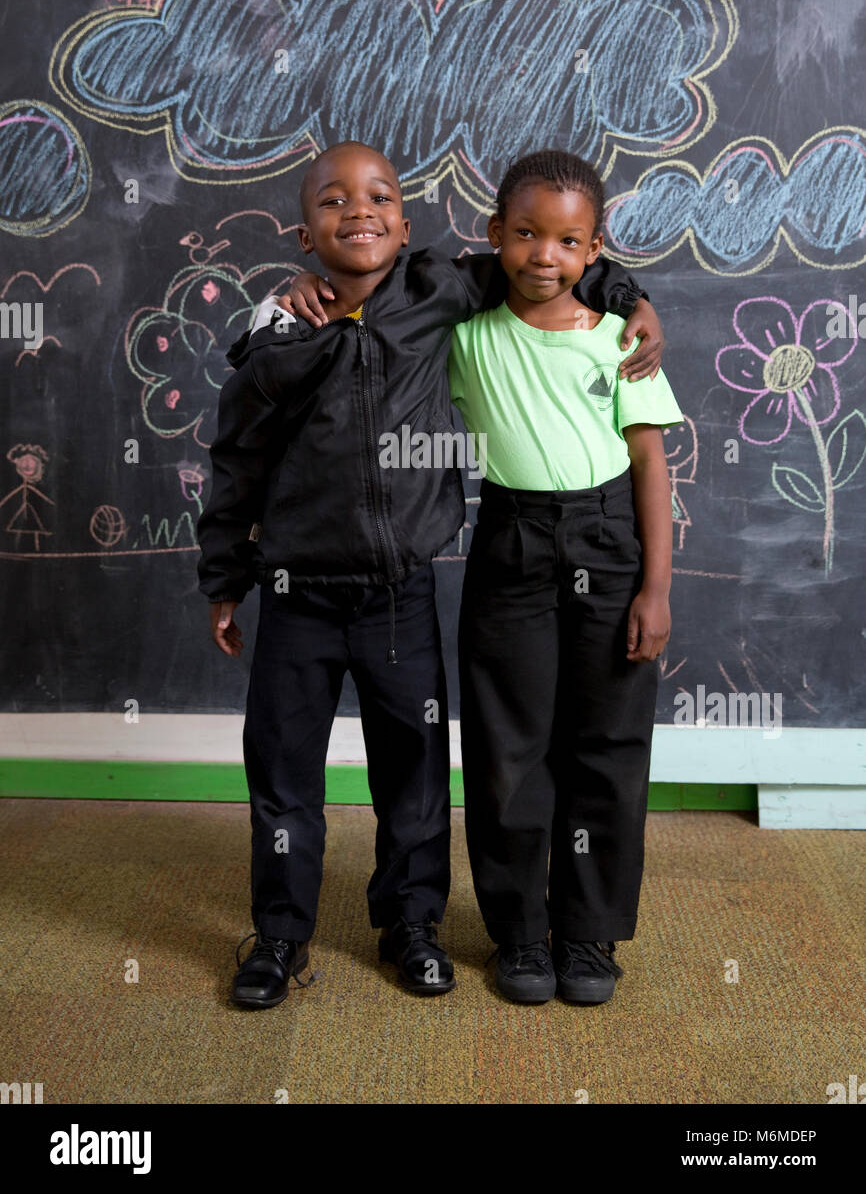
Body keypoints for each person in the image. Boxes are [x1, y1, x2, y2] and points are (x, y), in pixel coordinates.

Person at [198, 141, 664, 1009]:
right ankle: (278, 936)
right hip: (299, 597)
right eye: (334, 201)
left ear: (408, 227)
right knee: (283, 777)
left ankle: (411, 925)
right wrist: (226, 577)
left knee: (413, 778)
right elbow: (236, 461)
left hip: (400, 593)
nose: (359, 210)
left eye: (379, 195)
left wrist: (631, 295)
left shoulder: (439, 290)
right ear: (305, 233)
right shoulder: (282, 330)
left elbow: (549, 263)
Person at [447, 149, 683, 1005]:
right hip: (510, 539)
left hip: (609, 539)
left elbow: (650, 465)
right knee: (510, 747)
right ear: (494, 235)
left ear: (594, 252)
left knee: (608, 743)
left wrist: (655, 590)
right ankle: (519, 933)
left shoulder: (624, 341)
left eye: (567, 241)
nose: (544, 255)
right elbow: (389, 296)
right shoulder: (464, 334)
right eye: (526, 235)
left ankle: (588, 934)